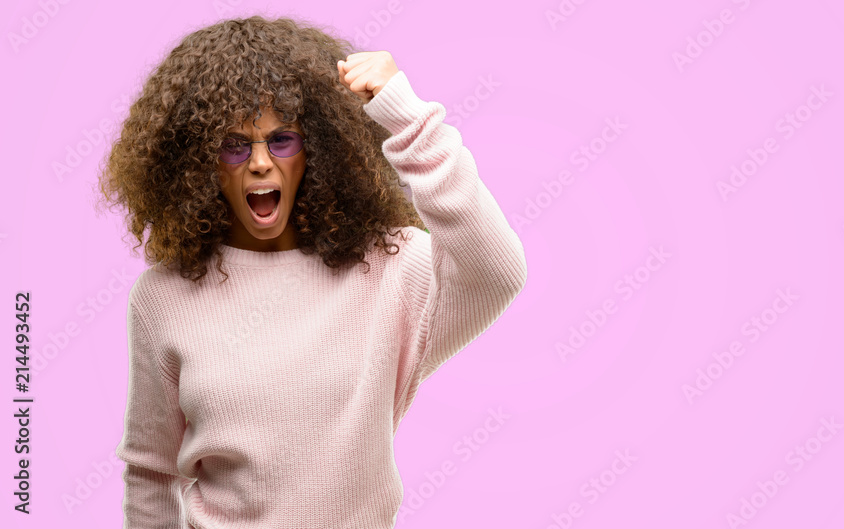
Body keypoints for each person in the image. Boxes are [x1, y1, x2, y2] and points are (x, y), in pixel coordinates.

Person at [96, 15, 527, 528]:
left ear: (317, 149)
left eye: (282, 140)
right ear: (197, 162)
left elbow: (496, 272)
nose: (259, 163)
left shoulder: (388, 268)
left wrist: (410, 122)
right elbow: (151, 474)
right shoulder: (163, 297)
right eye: (234, 145)